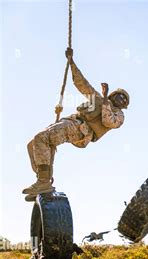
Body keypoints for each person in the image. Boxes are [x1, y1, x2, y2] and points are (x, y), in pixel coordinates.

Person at [23, 48, 130, 201]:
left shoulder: (119, 116)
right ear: (114, 94)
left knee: (42, 138)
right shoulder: (98, 99)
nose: (121, 99)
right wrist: (71, 62)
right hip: (71, 122)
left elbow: (108, 121)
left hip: (81, 130)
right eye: (119, 95)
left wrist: (105, 100)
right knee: (33, 144)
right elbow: (81, 83)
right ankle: (43, 179)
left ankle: (44, 182)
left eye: (124, 99)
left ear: (124, 105)